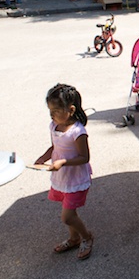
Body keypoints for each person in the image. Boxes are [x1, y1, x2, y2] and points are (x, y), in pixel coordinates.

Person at [34, 84, 94, 261]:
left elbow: (84, 157)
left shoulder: (78, 132)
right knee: (70, 213)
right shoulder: (54, 126)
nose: (52, 114)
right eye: (50, 110)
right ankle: (74, 238)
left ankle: (87, 236)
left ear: (71, 109)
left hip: (76, 180)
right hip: (62, 179)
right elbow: (54, 146)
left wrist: (63, 162)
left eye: (56, 110)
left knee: (67, 217)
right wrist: (43, 158)